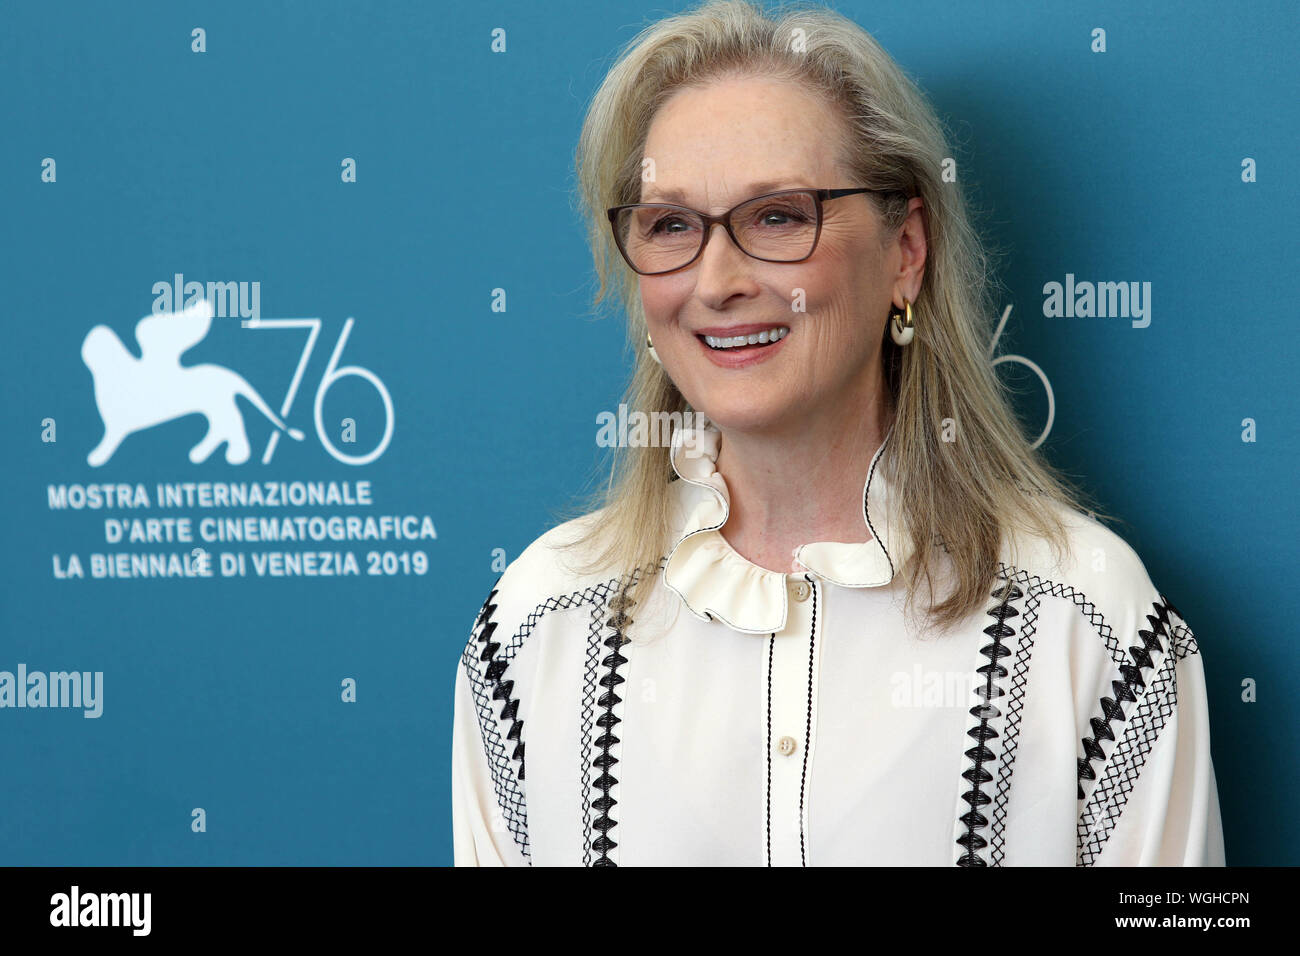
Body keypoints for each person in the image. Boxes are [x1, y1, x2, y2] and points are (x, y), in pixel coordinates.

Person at [450, 0, 1225, 866]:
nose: (716, 281)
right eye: (671, 225)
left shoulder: (1088, 620)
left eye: (778, 215)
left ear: (906, 250)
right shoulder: (533, 628)